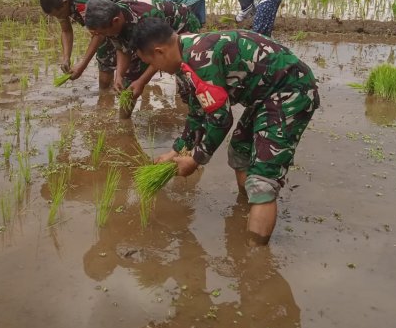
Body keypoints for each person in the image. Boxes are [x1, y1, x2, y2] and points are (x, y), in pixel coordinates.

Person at [132, 17, 319, 245]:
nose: (157, 71)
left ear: (159, 52)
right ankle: (246, 209)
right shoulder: (185, 51)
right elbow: (197, 113)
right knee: (240, 152)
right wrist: (175, 151)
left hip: (290, 91)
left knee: (263, 178)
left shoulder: (200, 61)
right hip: (264, 97)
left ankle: (253, 260)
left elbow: (220, 120)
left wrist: (196, 160)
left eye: (152, 63)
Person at [84, 0, 200, 117]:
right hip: (153, 38)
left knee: (187, 81)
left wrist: (142, 81)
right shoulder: (110, 21)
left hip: (182, 26)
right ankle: (123, 122)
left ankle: (198, 119)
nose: (102, 36)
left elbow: (159, 56)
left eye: (102, 33)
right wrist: (119, 75)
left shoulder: (146, 16)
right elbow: (122, 48)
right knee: (128, 83)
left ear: (116, 21)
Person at [39, 0, 132, 89]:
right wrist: (66, 58)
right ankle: (106, 92)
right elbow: (66, 30)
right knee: (105, 48)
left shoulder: (84, 0)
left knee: (110, 49)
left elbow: (99, 34)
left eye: (60, 14)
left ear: (65, 3)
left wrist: (82, 65)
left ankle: (109, 92)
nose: (60, 18)